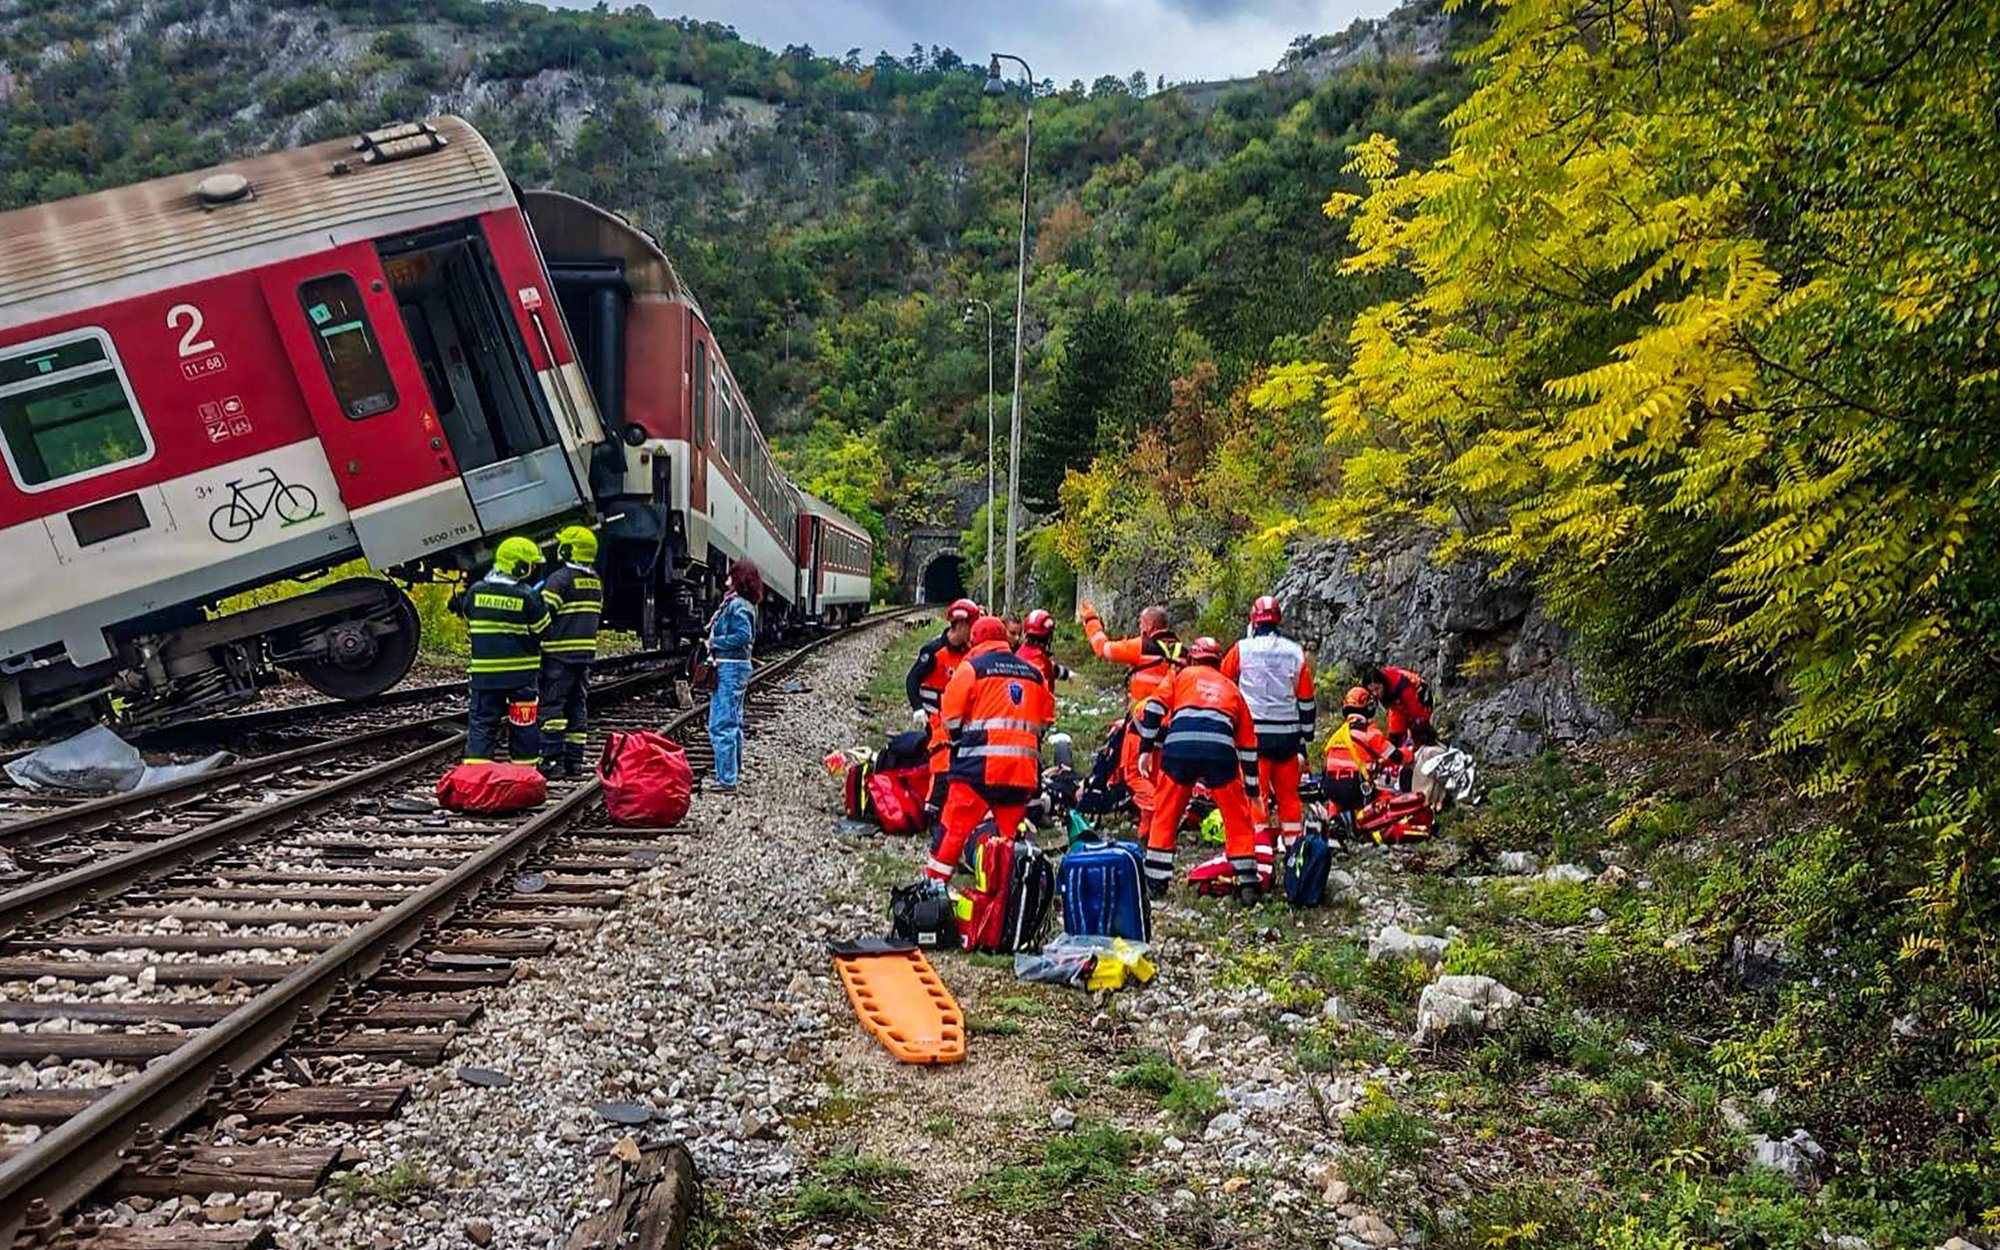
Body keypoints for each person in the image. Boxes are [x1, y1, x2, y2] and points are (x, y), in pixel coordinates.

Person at [1135, 636, 1266, 905]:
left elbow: (1154, 707)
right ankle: (1248, 883)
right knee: (1237, 816)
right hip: (1220, 751)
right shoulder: (1231, 688)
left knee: (1166, 812)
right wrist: (1253, 791)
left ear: (1193, 659)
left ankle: (1156, 882)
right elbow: (1248, 746)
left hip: (1179, 748)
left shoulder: (1180, 676)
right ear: (1218, 662)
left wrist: (1146, 749)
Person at [925, 616, 1055, 884]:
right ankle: (1006, 894)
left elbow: (949, 718)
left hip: (976, 772)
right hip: (1020, 774)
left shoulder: (970, 668)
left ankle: (934, 887)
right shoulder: (1034, 673)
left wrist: (962, 740)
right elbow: (1045, 720)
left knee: (953, 833)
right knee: (1008, 841)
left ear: (975, 641)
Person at [1223, 596, 1315, 878]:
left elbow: (1223, 682)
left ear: (1254, 619)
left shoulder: (1242, 649)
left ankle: (1261, 856)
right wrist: (1306, 738)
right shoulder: (1295, 652)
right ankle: (1295, 855)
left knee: (1256, 796)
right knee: (1289, 799)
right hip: (1287, 737)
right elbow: (1306, 700)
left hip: (1254, 737)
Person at [1079, 600, 1184, 834]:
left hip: (1142, 725)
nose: (1139, 626)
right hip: (1171, 727)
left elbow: (1102, 648)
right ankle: (1148, 834)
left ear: (1149, 625)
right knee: (1154, 779)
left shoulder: (1143, 646)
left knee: (1135, 776)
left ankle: (1162, 815)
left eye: (1141, 623)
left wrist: (1091, 620)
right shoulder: (1182, 652)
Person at [463, 537, 550, 767]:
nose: (533, 569)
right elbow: (543, 630)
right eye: (531, 565)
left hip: (484, 677)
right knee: (524, 725)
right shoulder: (528, 596)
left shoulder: (475, 592)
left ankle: (476, 774)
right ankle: (525, 772)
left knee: (482, 725)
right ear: (519, 566)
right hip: (521, 678)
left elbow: (468, 615)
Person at [535, 525, 603, 780]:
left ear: (568, 550)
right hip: (583, 656)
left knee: (552, 708)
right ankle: (574, 761)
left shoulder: (560, 579)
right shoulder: (595, 581)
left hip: (558, 655)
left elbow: (543, 615)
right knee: (577, 706)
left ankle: (553, 760)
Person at [908, 599, 981, 818]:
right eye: (972, 625)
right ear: (960, 624)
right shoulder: (934, 652)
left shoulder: (970, 653)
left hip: (958, 717)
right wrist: (918, 708)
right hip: (935, 716)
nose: (974, 630)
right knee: (942, 756)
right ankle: (933, 810)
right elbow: (912, 679)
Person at [707, 560, 762, 793]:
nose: (726, 578)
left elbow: (743, 636)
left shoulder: (737, 605)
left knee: (721, 723)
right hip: (737, 666)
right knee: (734, 721)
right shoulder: (743, 603)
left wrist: (714, 642)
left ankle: (727, 780)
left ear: (739, 578)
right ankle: (732, 773)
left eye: (731, 575)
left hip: (730, 667)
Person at [1324, 687, 1405, 834]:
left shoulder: (1338, 735)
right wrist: (1409, 754)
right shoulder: (1369, 731)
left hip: (1331, 787)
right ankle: (1369, 826)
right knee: (1385, 795)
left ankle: (1334, 821)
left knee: (1336, 801)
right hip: (1355, 786)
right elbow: (1395, 755)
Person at [1363, 662, 1434, 747]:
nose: (1375, 693)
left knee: (1419, 727)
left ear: (1383, 683)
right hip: (1396, 704)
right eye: (1372, 691)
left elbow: (1415, 710)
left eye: (1377, 689)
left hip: (1418, 696)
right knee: (1395, 735)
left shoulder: (1402, 685)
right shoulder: (1380, 690)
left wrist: (1415, 726)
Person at [1015, 609, 1069, 691]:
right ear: (1048, 636)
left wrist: (1067, 674)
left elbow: (1054, 669)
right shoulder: (1042, 662)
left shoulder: (1018, 654)